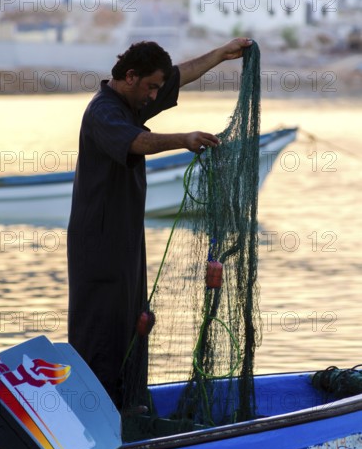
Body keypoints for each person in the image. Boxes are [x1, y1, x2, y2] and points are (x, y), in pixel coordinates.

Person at [67, 37, 252, 412]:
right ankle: (94, 414)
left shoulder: (132, 104)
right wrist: (183, 138)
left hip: (125, 243)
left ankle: (129, 407)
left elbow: (178, 77)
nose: (155, 95)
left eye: (157, 88)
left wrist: (220, 55)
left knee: (134, 323)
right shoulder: (105, 112)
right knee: (101, 331)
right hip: (98, 247)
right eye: (150, 86)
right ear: (130, 77)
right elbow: (137, 143)